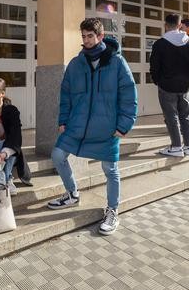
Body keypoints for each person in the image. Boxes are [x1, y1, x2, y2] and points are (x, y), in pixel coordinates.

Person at [46, 18, 138, 236]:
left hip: (107, 128)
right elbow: (66, 95)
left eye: (90, 36)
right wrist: (63, 120)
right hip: (77, 126)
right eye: (84, 36)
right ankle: (72, 194)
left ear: (100, 36)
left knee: (110, 170)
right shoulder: (76, 64)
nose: (86, 41)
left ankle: (113, 210)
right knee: (58, 156)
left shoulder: (117, 62)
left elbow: (129, 95)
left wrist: (123, 126)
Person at [150, 14, 189, 158]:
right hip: (185, 86)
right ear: (179, 25)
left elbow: (154, 66)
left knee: (171, 117)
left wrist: (157, 81)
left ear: (166, 25)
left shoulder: (160, 44)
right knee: (185, 116)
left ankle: (177, 147)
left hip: (166, 85)